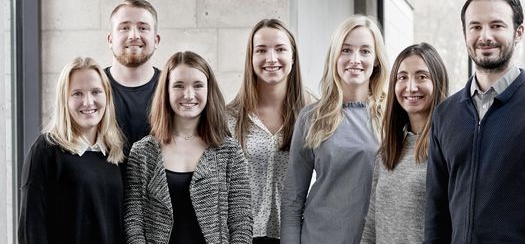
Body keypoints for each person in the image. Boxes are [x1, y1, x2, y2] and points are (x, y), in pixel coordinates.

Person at [424, 0, 525, 243]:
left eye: (496, 25)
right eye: (475, 26)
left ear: (518, 32)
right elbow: (435, 212)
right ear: (465, 33)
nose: (485, 36)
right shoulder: (445, 114)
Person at [280, 15, 390, 244]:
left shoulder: (392, 116)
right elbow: (292, 200)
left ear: (377, 60)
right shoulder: (311, 117)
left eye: (365, 51)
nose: (355, 59)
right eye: (346, 50)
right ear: (335, 56)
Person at [124, 51, 252, 244]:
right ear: (166, 90)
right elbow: (133, 222)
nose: (189, 95)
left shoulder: (229, 151)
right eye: (179, 86)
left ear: (209, 90)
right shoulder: (143, 152)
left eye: (198, 85)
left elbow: (241, 222)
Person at [18, 57, 126, 244]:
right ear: (64, 100)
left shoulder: (116, 152)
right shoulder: (46, 150)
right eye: (77, 94)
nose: (88, 102)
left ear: (107, 96)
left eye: (96, 92)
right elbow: (32, 228)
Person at [226, 19, 310, 244]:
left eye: (280, 49)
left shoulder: (314, 115)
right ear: (251, 58)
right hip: (242, 236)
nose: (271, 58)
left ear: (293, 56)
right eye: (261, 50)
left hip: (300, 235)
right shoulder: (229, 118)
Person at [360, 43, 448, 243]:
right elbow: (371, 225)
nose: (411, 87)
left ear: (438, 81)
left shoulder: (449, 148)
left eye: (422, 76)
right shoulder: (387, 151)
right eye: (402, 77)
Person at [106, 0, 161, 152]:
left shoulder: (172, 87)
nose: (134, 35)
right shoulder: (92, 88)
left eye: (143, 28)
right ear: (110, 39)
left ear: (156, 40)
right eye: (124, 28)